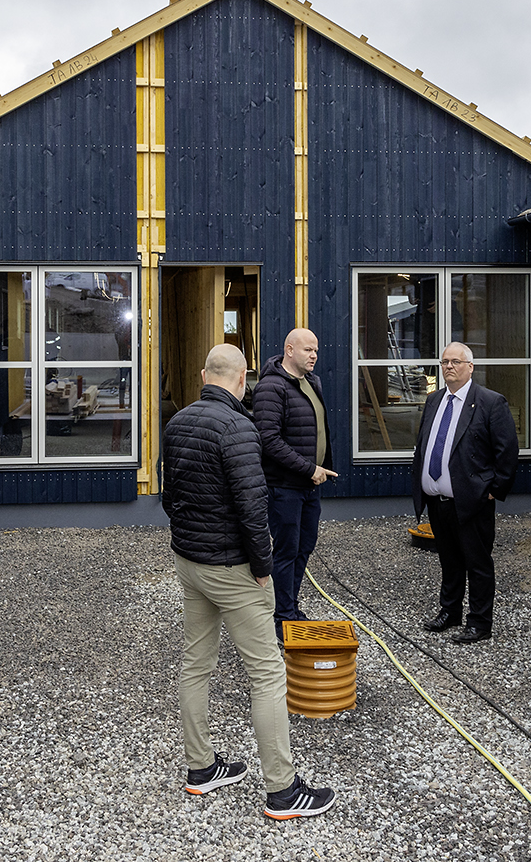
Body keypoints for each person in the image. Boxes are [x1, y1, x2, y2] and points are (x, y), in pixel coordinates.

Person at [161, 343, 337, 820]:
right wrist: (263, 569)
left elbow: (168, 496)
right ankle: (282, 790)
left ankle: (201, 768)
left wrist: (189, 541)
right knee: (267, 673)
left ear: (204, 374)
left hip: (189, 562)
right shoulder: (239, 427)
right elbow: (253, 509)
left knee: (196, 663)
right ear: (242, 380)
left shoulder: (177, 421)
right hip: (233, 568)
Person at [412, 341, 520, 644]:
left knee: (478, 562)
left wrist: (492, 490)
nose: (449, 367)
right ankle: (450, 612)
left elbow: (507, 452)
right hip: (437, 500)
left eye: (456, 362)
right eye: (445, 361)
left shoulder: (489, 402)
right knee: (449, 559)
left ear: (470, 367)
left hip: (472, 501)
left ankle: (480, 622)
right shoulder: (434, 400)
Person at [253, 328, 338, 638]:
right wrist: (308, 469)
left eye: (316, 350)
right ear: (289, 350)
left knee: (304, 547)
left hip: (309, 484)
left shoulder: (311, 383)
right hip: (284, 487)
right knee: (286, 550)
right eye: (307, 350)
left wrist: (318, 471)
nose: (314, 355)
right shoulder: (271, 388)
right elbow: (268, 441)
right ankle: (281, 616)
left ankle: (289, 606)